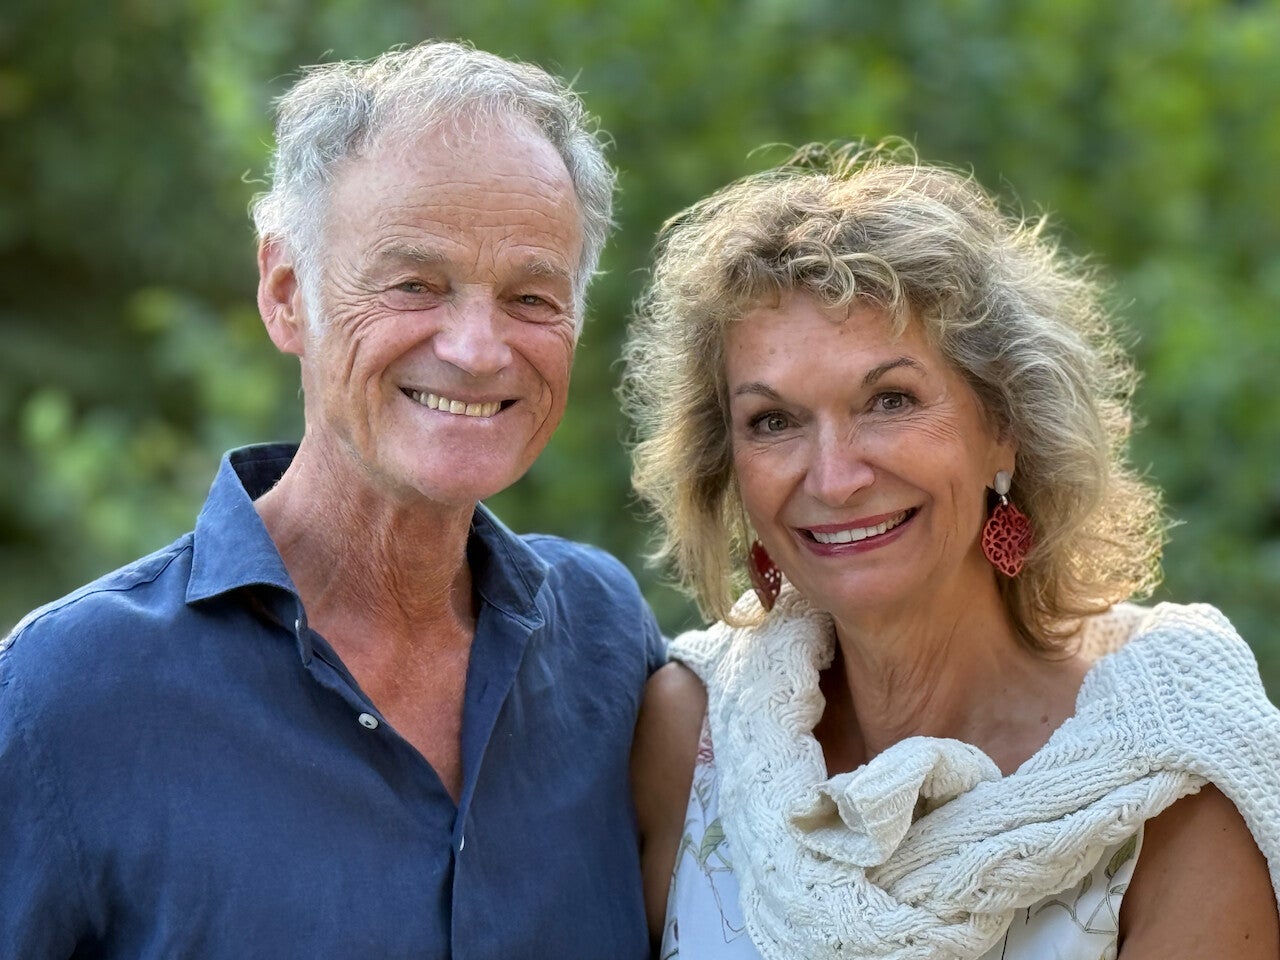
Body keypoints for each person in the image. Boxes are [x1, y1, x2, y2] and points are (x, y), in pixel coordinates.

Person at [0, 41, 664, 959]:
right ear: (285, 295)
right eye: (414, 285)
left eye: (531, 297)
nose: (478, 349)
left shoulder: (607, 644)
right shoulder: (64, 696)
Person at [624, 143, 1280, 959]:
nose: (834, 478)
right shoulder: (692, 734)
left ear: (1005, 426)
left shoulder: (1173, 784)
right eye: (773, 421)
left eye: (890, 401)